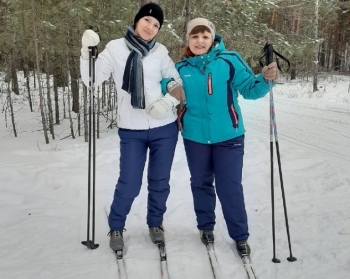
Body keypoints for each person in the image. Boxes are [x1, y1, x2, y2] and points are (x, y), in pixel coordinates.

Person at [157, 18, 278, 257]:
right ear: (188, 40)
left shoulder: (229, 60)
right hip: (195, 138)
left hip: (229, 136)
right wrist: (166, 85)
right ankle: (206, 227)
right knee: (200, 183)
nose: (200, 41)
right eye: (194, 36)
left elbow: (250, 89)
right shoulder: (181, 68)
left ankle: (240, 236)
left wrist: (265, 79)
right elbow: (164, 83)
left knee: (229, 186)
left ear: (212, 38)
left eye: (204, 36)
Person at [79, 3, 185, 253]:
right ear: (137, 21)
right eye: (147, 21)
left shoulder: (160, 52)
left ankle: (155, 224)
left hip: (164, 128)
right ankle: (116, 226)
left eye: (156, 25)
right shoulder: (115, 48)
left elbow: (176, 83)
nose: (150, 27)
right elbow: (92, 79)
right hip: (131, 130)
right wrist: (87, 53)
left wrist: (168, 102)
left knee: (160, 181)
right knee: (129, 183)